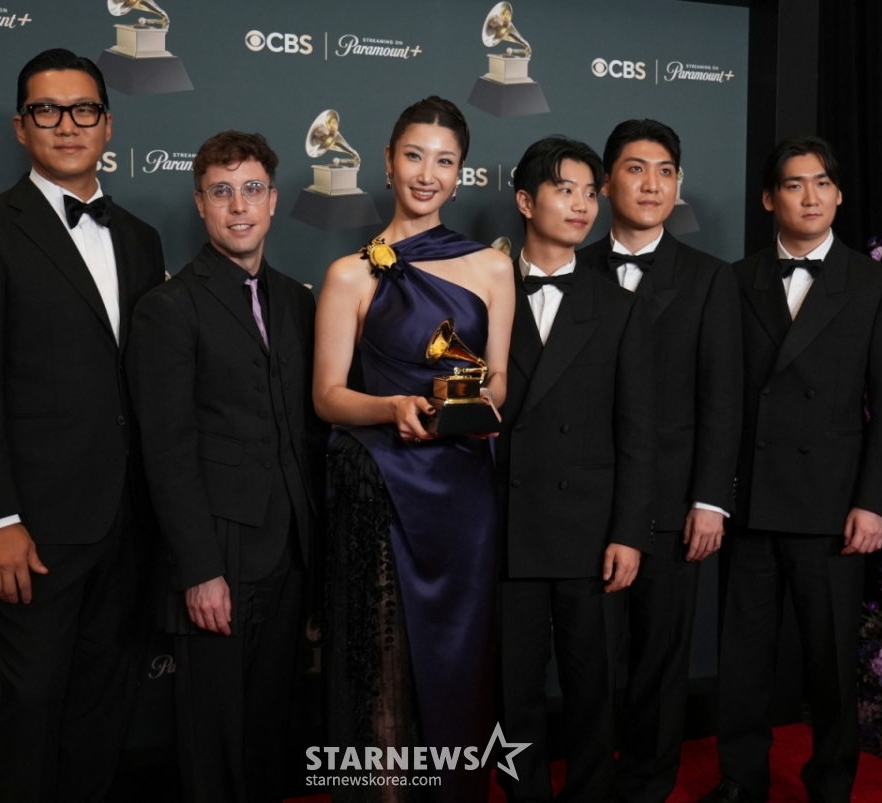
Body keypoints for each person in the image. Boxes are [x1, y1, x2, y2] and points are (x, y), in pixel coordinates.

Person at [0, 48, 165, 801]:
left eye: (84, 109)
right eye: (47, 110)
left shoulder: (139, 236)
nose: (68, 124)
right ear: (21, 126)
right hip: (36, 528)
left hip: (130, 520)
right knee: (32, 708)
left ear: (108, 122)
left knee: (105, 704)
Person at [313, 96, 515, 800]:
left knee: (461, 663)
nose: (427, 173)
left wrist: (471, 409)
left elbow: (498, 381)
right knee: (386, 667)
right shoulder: (350, 273)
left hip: (464, 494)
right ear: (388, 160)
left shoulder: (493, 266)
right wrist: (393, 407)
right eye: (414, 155)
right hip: (383, 488)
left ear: (462, 173)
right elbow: (329, 396)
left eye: (445, 160)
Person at [699, 135, 882, 803]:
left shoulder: (878, 284)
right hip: (754, 500)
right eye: (794, 184)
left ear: (839, 193)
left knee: (829, 661)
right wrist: (715, 496)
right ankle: (741, 776)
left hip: (834, 505)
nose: (811, 196)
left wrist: (874, 502)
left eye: (822, 183)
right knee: (743, 656)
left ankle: (831, 782)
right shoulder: (736, 280)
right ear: (770, 198)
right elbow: (722, 400)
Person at [128, 130, 327, 802]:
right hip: (221, 551)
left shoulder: (298, 301)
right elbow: (167, 450)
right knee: (215, 733)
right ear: (201, 204)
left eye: (251, 190)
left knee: (273, 721)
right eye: (222, 192)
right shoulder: (168, 307)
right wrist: (200, 568)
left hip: (291, 550)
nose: (238, 206)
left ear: (273, 200)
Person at [577, 119, 743, 803]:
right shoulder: (571, 266)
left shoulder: (709, 279)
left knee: (659, 660)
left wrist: (711, 497)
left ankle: (646, 786)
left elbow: (722, 397)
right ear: (607, 181)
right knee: (590, 661)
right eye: (637, 169)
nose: (652, 183)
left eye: (666, 170)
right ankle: (587, 784)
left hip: (675, 503)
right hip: (586, 500)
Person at [496, 135, 656, 801]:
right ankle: (521, 793)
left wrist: (628, 530)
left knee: (595, 688)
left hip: (590, 532)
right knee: (512, 691)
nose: (583, 205)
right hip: (505, 527)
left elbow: (638, 432)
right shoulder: (484, 293)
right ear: (526, 200)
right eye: (567, 190)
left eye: (591, 192)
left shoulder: (618, 304)